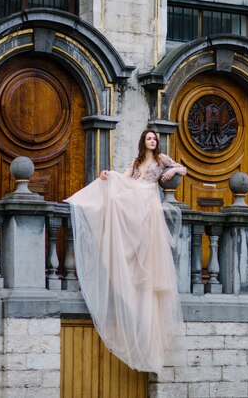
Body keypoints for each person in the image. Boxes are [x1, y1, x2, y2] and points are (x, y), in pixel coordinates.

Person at [64, 129, 186, 373]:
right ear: (143, 141)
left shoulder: (162, 160)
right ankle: (90, 206)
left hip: (148, 197)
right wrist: (109, 176)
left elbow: (184, 169)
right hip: (136, 193)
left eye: (154, 139)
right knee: (115, 197)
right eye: (149, 138)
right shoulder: (137, 161)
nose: (152, 141)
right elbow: (126, 177)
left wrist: (173, 170)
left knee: (135, 220)